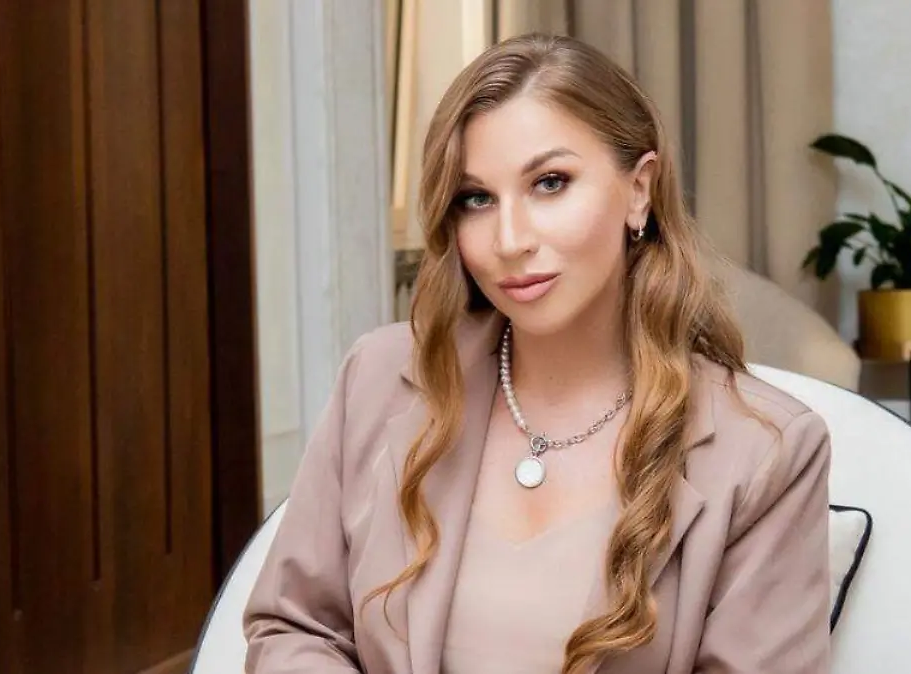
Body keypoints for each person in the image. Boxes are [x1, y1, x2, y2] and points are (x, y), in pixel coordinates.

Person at [243, 33, 831, 674]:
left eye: (551, 183)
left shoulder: (766, 451)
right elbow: (292, 627)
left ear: (640, 189)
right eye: (476, 199)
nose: (510, 239)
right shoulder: (378, 378)